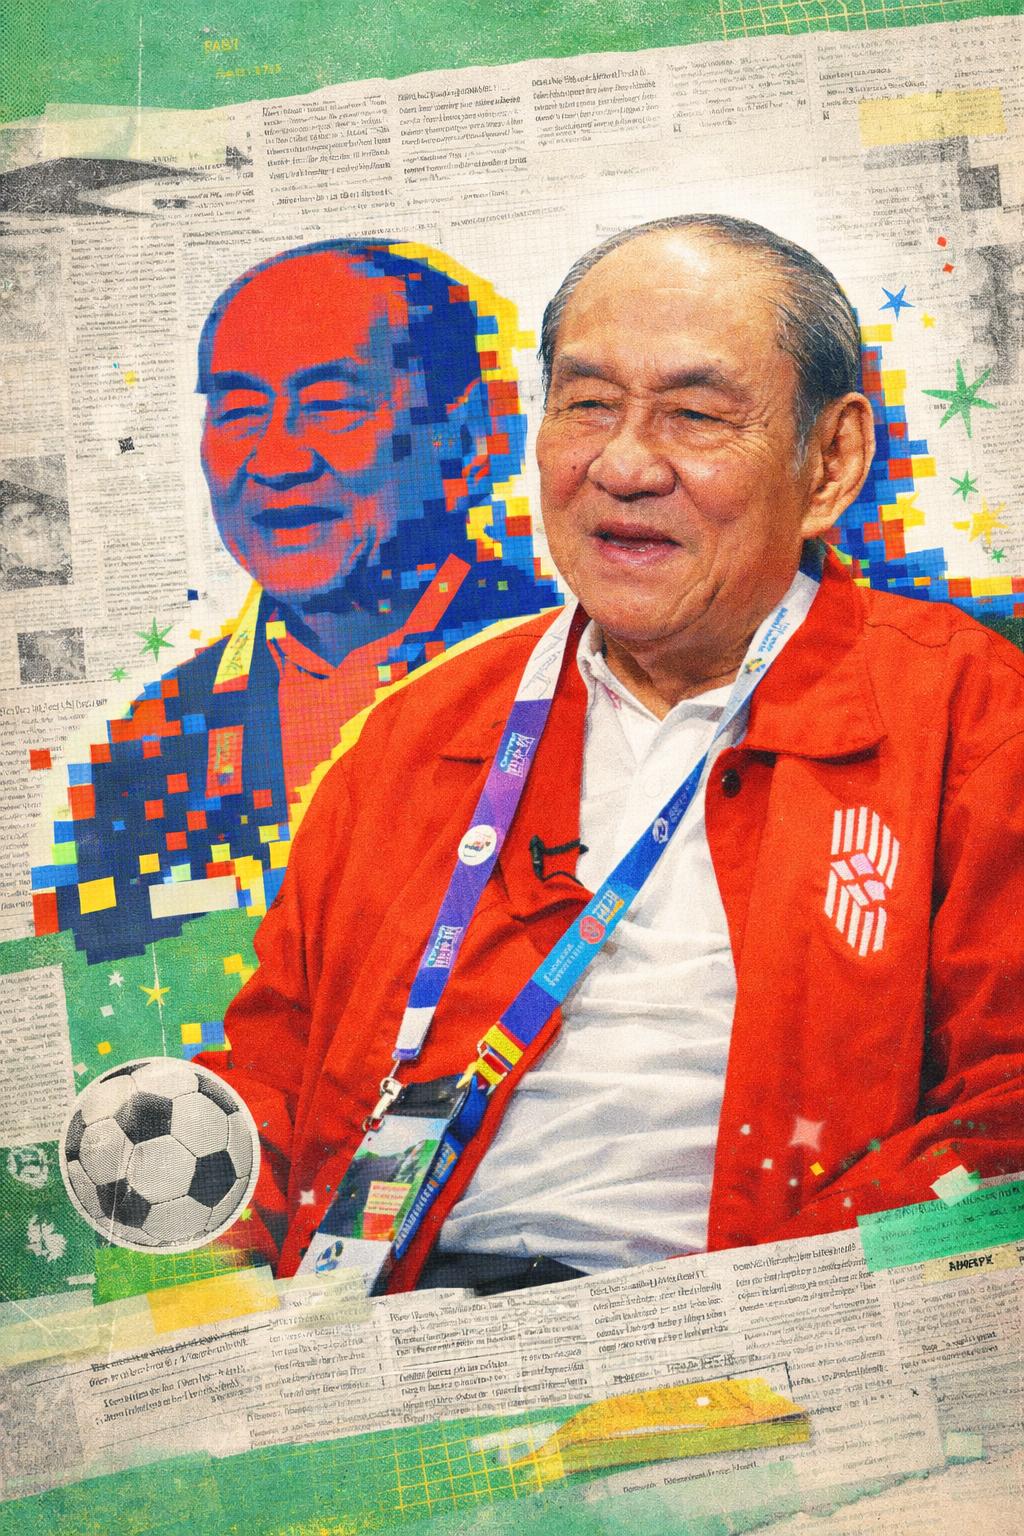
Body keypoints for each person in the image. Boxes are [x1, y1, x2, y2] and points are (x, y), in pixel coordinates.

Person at [206, 214, 1024, 1295]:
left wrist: (780, 1300)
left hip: (751, 1319)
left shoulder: (968, 713)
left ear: (830, 462)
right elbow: (271, 1076)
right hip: (394, 1309)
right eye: (587, 405)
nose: (624, 465)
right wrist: (214, 1257)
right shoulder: (418, 735)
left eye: (695, 414)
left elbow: (1007, 1108)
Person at [32, 241, 560, 963]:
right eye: (241, 412)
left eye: (332, 406)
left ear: (468, 439)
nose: (278, 461)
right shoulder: (145, 753)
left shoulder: (573, 674)